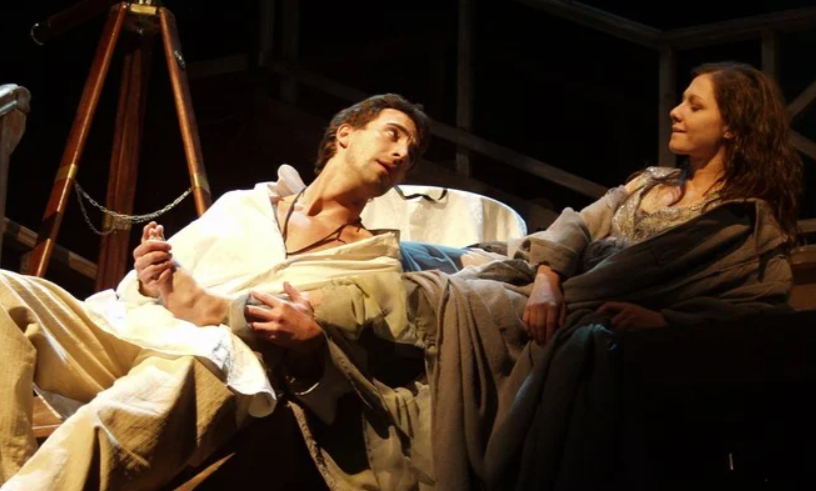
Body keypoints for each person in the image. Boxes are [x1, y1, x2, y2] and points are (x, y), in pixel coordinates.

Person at [252, 62, 802, 491]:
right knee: (416, 254)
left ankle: (279, 308)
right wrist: (546, 277)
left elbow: (758, 314)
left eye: (694, 105)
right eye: (681, 99)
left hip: (581, 309)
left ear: (733, 126)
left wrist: (665, 322)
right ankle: (278, 283)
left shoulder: (744, 223)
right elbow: (576, 227)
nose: (675, 112)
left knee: (446, 293)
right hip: (545, 281)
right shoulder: (649, 183)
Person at [0, 93, 430, 491]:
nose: (402, 154)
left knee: (207, 355)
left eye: (411, 153)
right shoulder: (246, 205)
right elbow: (143, 290)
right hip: (135, 333)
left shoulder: (373, 261)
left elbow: (357, 375)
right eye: (393, 134)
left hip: (217, 366)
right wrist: (149, 274)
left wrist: (309, 348)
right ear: (345, 134)